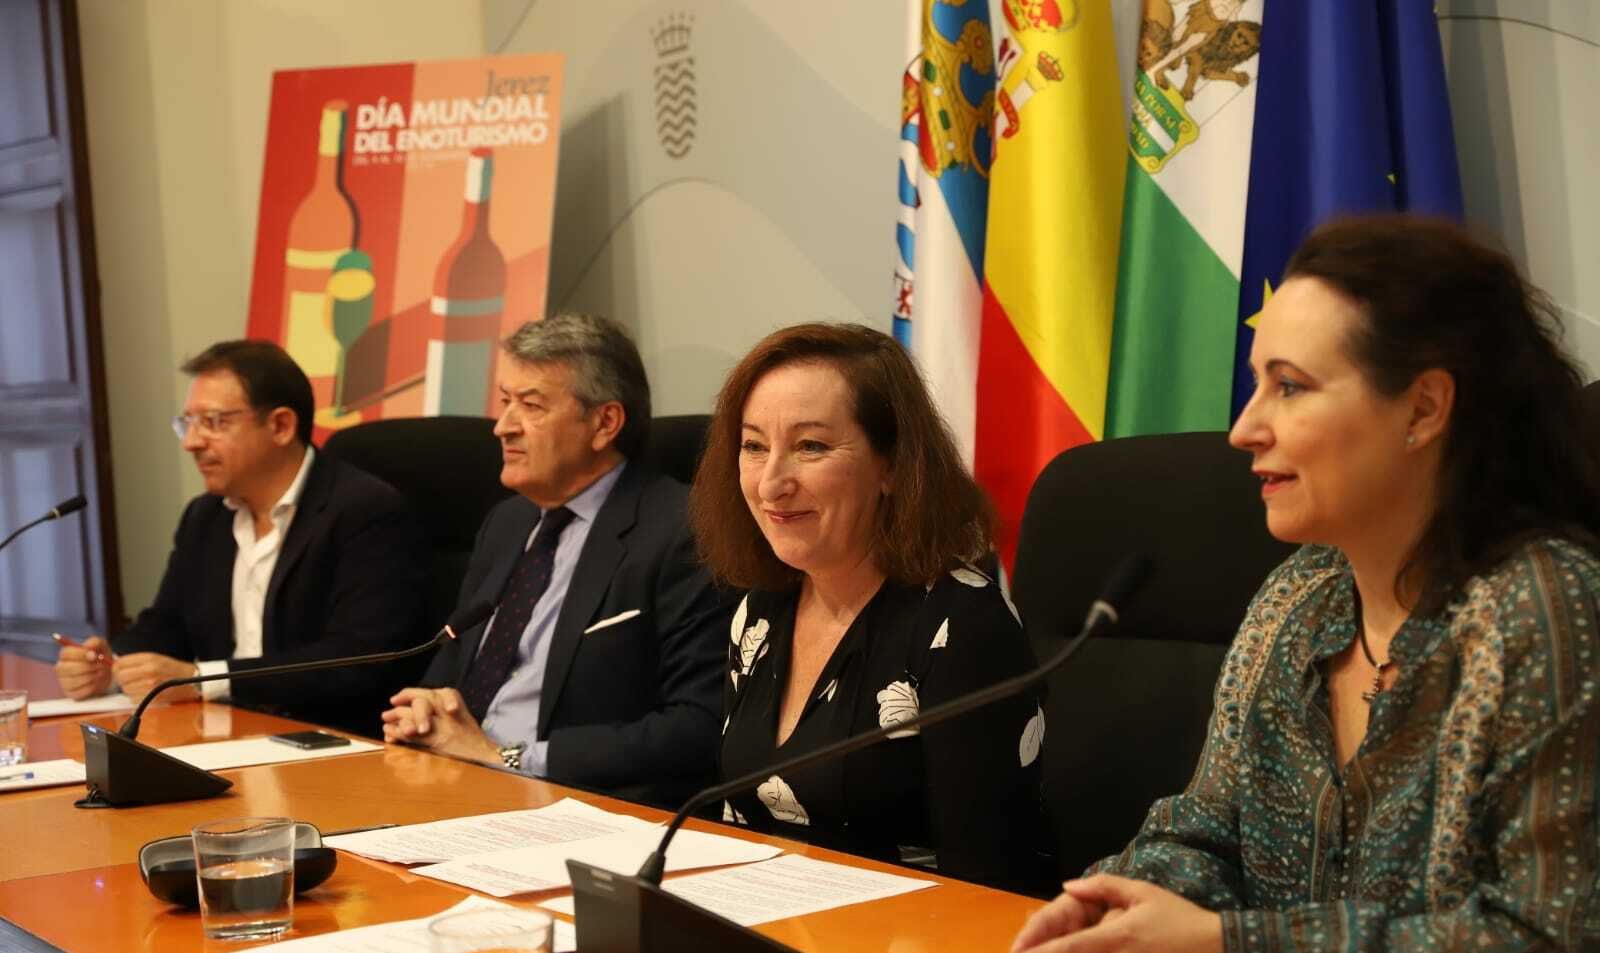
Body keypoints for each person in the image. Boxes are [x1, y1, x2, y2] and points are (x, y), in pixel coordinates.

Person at [1006, 216, 1600, 953]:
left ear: (1424, 408)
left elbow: (1552, 943)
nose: (1244, 429)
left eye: (1289, 386)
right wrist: (1119, 906)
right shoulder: (1300, 596)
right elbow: (1206, 834)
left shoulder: (1547, 607)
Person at [690, 322, 1045, 891]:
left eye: (810, 447)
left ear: (892, 466)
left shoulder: (962, 624)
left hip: (915, 937)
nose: (771, 483)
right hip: (771, 923)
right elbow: (743, 827)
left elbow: (989, 885)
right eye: (754, 446)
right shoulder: (761, 610)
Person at [381, 314, 726, 808]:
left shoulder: (683, 531)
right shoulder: (508, 522)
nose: (503, 427)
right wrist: (427, 706)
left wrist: (506, 757)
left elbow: (696, 725)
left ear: (604, 423)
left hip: (575, 802)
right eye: (505, 401)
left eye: (531, 405)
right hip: (451, 782)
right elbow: (450, 669)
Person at [53, 340, 428, 731]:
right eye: (187, 423)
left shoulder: (365, 512)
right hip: (221, 732)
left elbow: (357, 659)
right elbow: (167, 625)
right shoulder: (205, 516)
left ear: (281, 426)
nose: (191, 442)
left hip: (329, 740)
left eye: (214, 422)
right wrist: (108, 664)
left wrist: (202, 680)